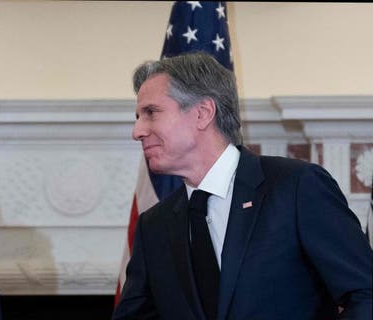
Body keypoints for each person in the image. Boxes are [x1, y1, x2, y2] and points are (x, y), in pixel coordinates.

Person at [113, 52, 372, 320]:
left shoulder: (296, 188)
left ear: (202, 113)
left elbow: (365, 295)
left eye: (151, 113)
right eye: (138, 117)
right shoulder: (153, 226)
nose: (137, 131)